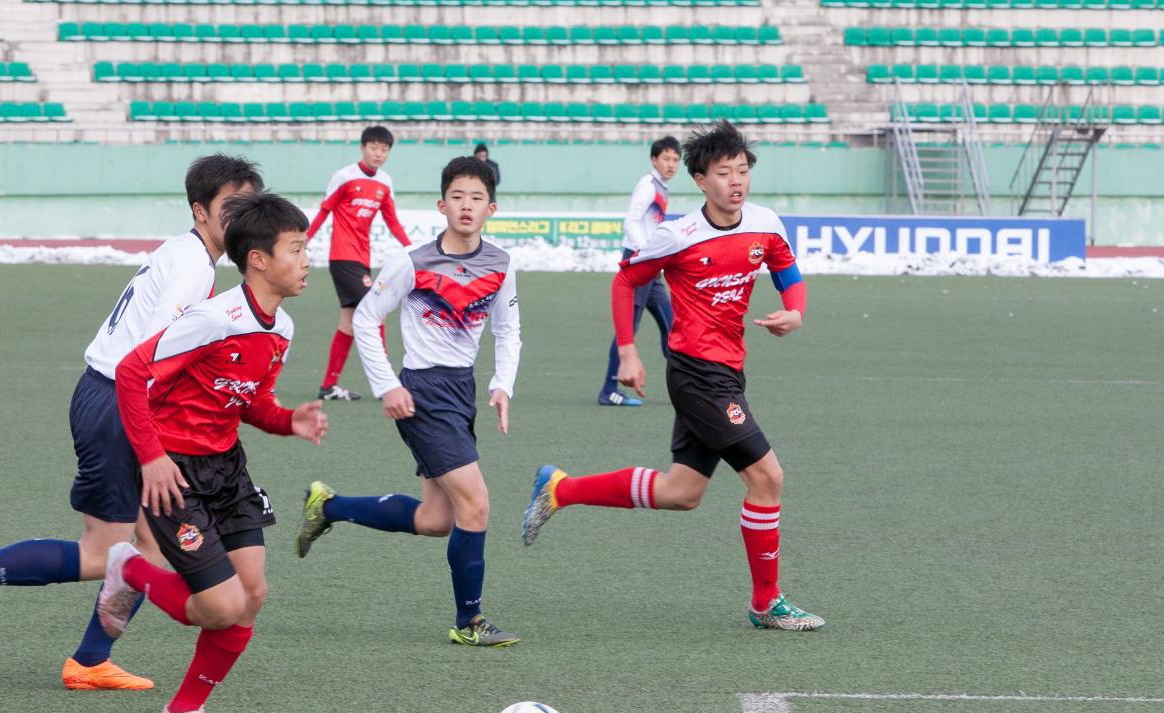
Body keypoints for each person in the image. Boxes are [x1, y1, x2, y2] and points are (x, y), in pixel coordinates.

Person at [0, 154, 265, 690]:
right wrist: (159, 442)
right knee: (126, 550)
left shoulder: (188, 253)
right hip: (120, 404)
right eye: (230, 207)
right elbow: (150, 360)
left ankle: (84, 657)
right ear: (201, 211)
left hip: (104, 397)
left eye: (250, 207)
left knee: (122, 549)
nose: (242, 218)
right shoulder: (193, 265)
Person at [522, 121, 824, 631]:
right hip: (696, 375)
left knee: (681, 492)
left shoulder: (766, 225)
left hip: (727, 371)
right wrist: (627, 351)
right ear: (701, 180)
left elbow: (790, 278)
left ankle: (560, 489)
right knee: (768, 477)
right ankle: (766, 603)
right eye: (724, 172)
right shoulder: (678, 235)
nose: (737, 181)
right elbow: (625, 279)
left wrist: (794, 312)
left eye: (743, 170)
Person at [98, 192, 328, 713]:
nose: (306, 261)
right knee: (219, 606)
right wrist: (151, 458)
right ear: (259, 259)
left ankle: (182, 712)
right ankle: (130, 569)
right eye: (296, 249)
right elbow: (132, 374)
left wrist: (286, 420)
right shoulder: (211, 318)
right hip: (171, 470)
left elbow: (247, 401)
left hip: (227, 468)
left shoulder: (282, 328)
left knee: (251, 596)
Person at [296, 156, 521, 647]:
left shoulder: (501, 264)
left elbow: (508, 329)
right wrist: (387, 386)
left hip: (460, 391)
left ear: (491, 208)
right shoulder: (411, 261)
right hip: (422, 392)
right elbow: (364, 318)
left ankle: (329, 507)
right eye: (458, 196)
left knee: (436, 520)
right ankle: (469, 621)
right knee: (476, 505)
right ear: (442, 205)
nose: (466, 205)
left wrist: (501, 383)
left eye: (477, 198)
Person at [306, 125, 412, 402]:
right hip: (342, 257)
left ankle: (329, 387)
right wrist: (302, 243)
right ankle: (387, 381)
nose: (378, 153)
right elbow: (324, 211)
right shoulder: (344, 177)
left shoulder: (385, 183)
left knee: (350, 323)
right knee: (376, 309)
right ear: (363, 148)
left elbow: (392, 220)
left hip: (362, 259)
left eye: (384, 149)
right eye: (373, 147)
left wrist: (413, 249)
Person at [599, 136, 679, 407]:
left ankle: (689, 388)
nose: (671, 164)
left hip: (651, 267)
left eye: (676, 160)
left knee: (672, 326)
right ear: (655, 159)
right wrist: (646, 252)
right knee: (627, 333)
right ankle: (609, 391)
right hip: (638, 262)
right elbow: (631, 221)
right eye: (666, 159)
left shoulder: (662, 187)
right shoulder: (647, 185)